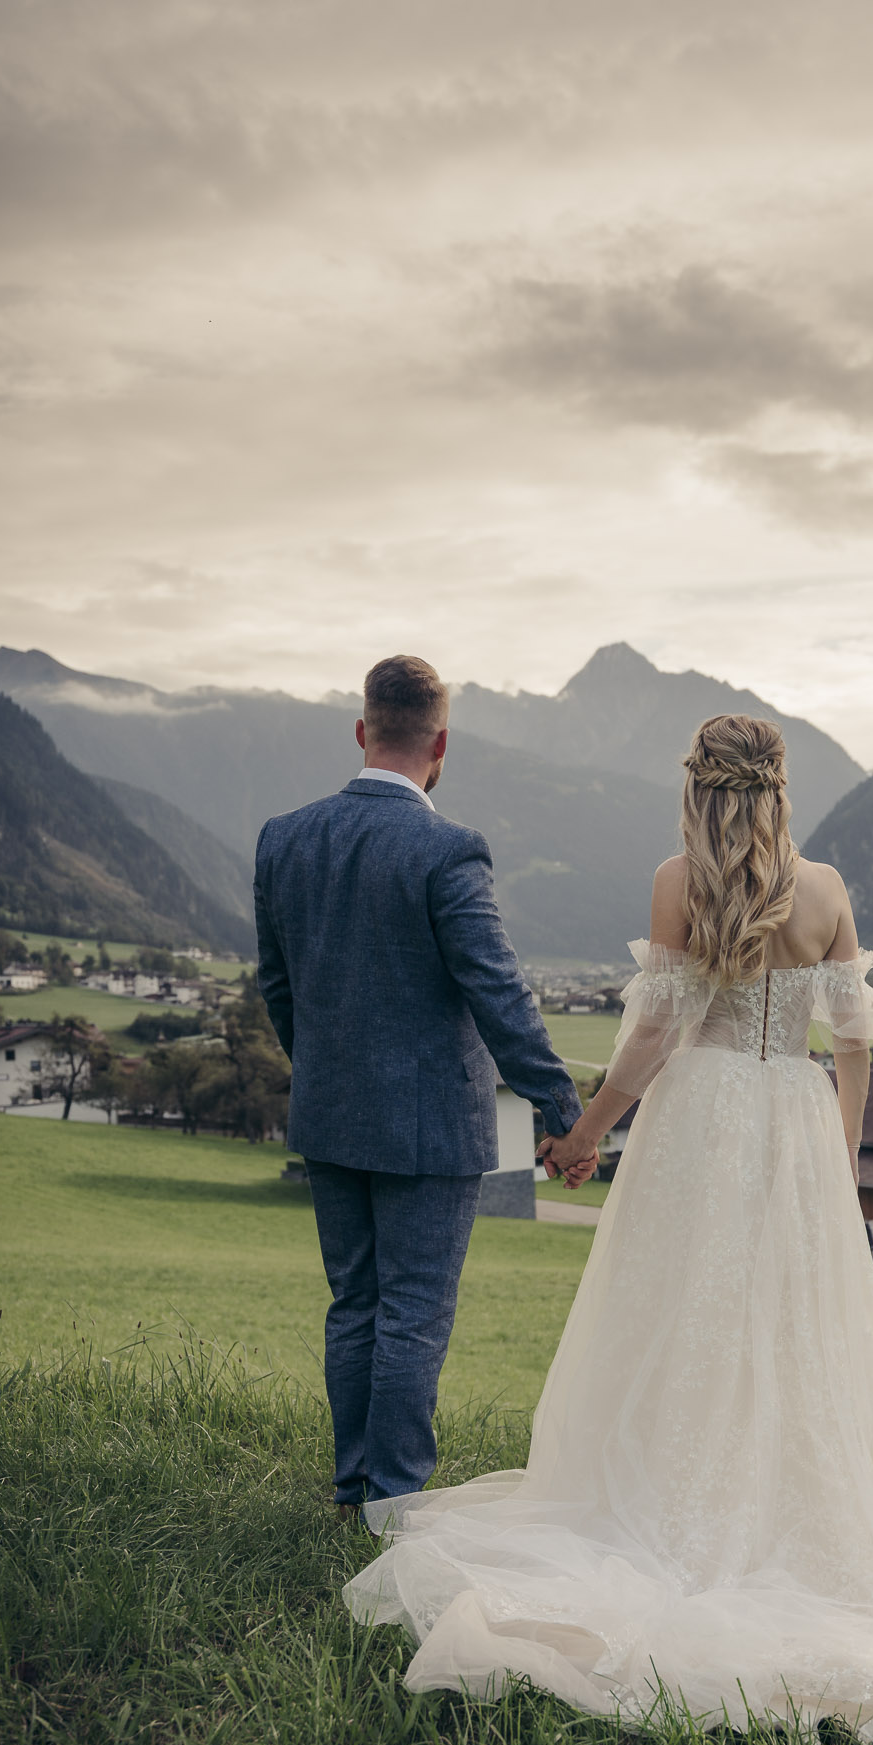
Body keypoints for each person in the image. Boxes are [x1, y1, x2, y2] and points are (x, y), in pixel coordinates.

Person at [344, 712, 873, 1745]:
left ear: (697, 789)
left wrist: (586, 1131)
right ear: (777, 789)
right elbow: (852, 1040)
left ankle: (671, 1504)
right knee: (791, 1328)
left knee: (676, 1316)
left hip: (695, 1119)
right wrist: (836, 1152)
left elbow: (656, 1034)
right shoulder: (824, 890)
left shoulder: (678, 879)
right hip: (788, 1116)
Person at [256, 654, 589, 1526]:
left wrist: (323, 1069)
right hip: (429, 1125)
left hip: (328, 1113)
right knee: (411, 1312)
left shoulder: (282, 837)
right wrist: (562, 1111)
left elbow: (277, 986)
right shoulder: (448, 849)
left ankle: (349, 1492)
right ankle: (393, 1510)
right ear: (440, 744)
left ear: (363, 731)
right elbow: (498, 992)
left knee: (355, 1302)